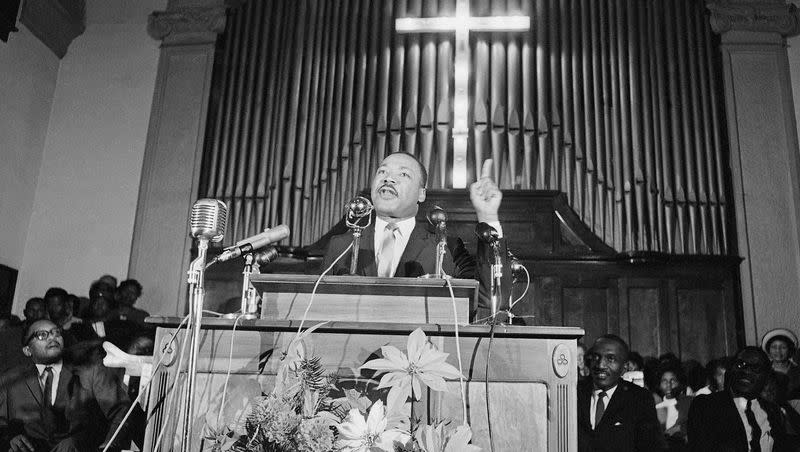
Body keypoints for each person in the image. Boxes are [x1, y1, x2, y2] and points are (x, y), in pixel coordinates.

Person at [322, 153, 511, 316]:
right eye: (382, 172)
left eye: (403, 174)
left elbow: (490, 299)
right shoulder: (341, 245)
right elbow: (317, 307)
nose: (388, 179)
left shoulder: (446, 248)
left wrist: (488, 215)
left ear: (421, 194)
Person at [0, 319, 133, 451]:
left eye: (56, 333)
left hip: (78, 448)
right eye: (42, 335)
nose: (52, 337)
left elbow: (122, 410)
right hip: (31, 448)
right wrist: (11, 438)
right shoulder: (11, 380)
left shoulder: (89, 371)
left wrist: (109, 445)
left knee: (69, 444)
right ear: (28, 350)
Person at [688, 346, 788, 452]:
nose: (746, 371)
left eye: (756, 368)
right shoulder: (707, 405)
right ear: (731, 370)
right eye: (740, 365)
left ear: (766, 376)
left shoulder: (773, 411)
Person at [578, 334, 665, 452]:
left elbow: (652, 446)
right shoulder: (575, 392)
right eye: (596, 357)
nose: (600, 365)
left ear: (624, 367)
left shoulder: (639, 398)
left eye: (610, 359)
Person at [653, 363, 692, 450]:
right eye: (664, 381)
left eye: (673, 380)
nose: (669, 385)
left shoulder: (688, 402)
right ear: (659, 384)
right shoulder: (656, 407)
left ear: (679, 382)